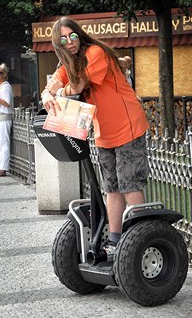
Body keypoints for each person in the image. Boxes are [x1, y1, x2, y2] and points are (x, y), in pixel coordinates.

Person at [41, 17, 150, 260]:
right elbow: (55, 81)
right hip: (104, 132)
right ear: (57, 44)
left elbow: (77, 84)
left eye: (72, 36)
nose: (69, 42)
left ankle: (138, 241)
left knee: (129, 183)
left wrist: (57, 92)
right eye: (63, 39)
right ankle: (115, 241)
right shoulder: (69, 63)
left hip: (127, 124)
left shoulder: (95, 52)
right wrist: (47, 93)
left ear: (79, 35)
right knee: (111, 187)